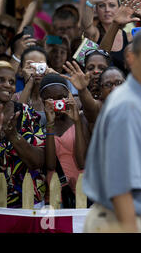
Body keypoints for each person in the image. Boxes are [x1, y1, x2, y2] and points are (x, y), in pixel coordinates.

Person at [83, 27, 141, 233]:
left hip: (139, 215)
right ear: (131, 58)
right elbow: (120, 186)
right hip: (122, 220)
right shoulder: (128, 107)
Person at [0, 61, 45, 207]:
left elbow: (38, 161)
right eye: (1, 80)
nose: (8, 85)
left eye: (12, 82)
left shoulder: (26, 113)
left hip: (26, 203)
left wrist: (14, 137)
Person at [40, 73, 90, 208]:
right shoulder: (41, 125)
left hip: (83, 187)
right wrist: (50, 124)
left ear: (69, 95)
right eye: (50, 99)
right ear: (42, 101)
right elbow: (50, 165)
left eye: (61, 97)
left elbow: (82, 162)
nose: (57, 103)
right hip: (57, 191)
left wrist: (77, 122)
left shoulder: (82, 118)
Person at [61, 61, 125, 128]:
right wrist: (83, 89)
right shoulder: (99, 108)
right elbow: (90, 106)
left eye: (119, 82)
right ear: (101, 90)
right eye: (108, 84)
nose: (114, 89)